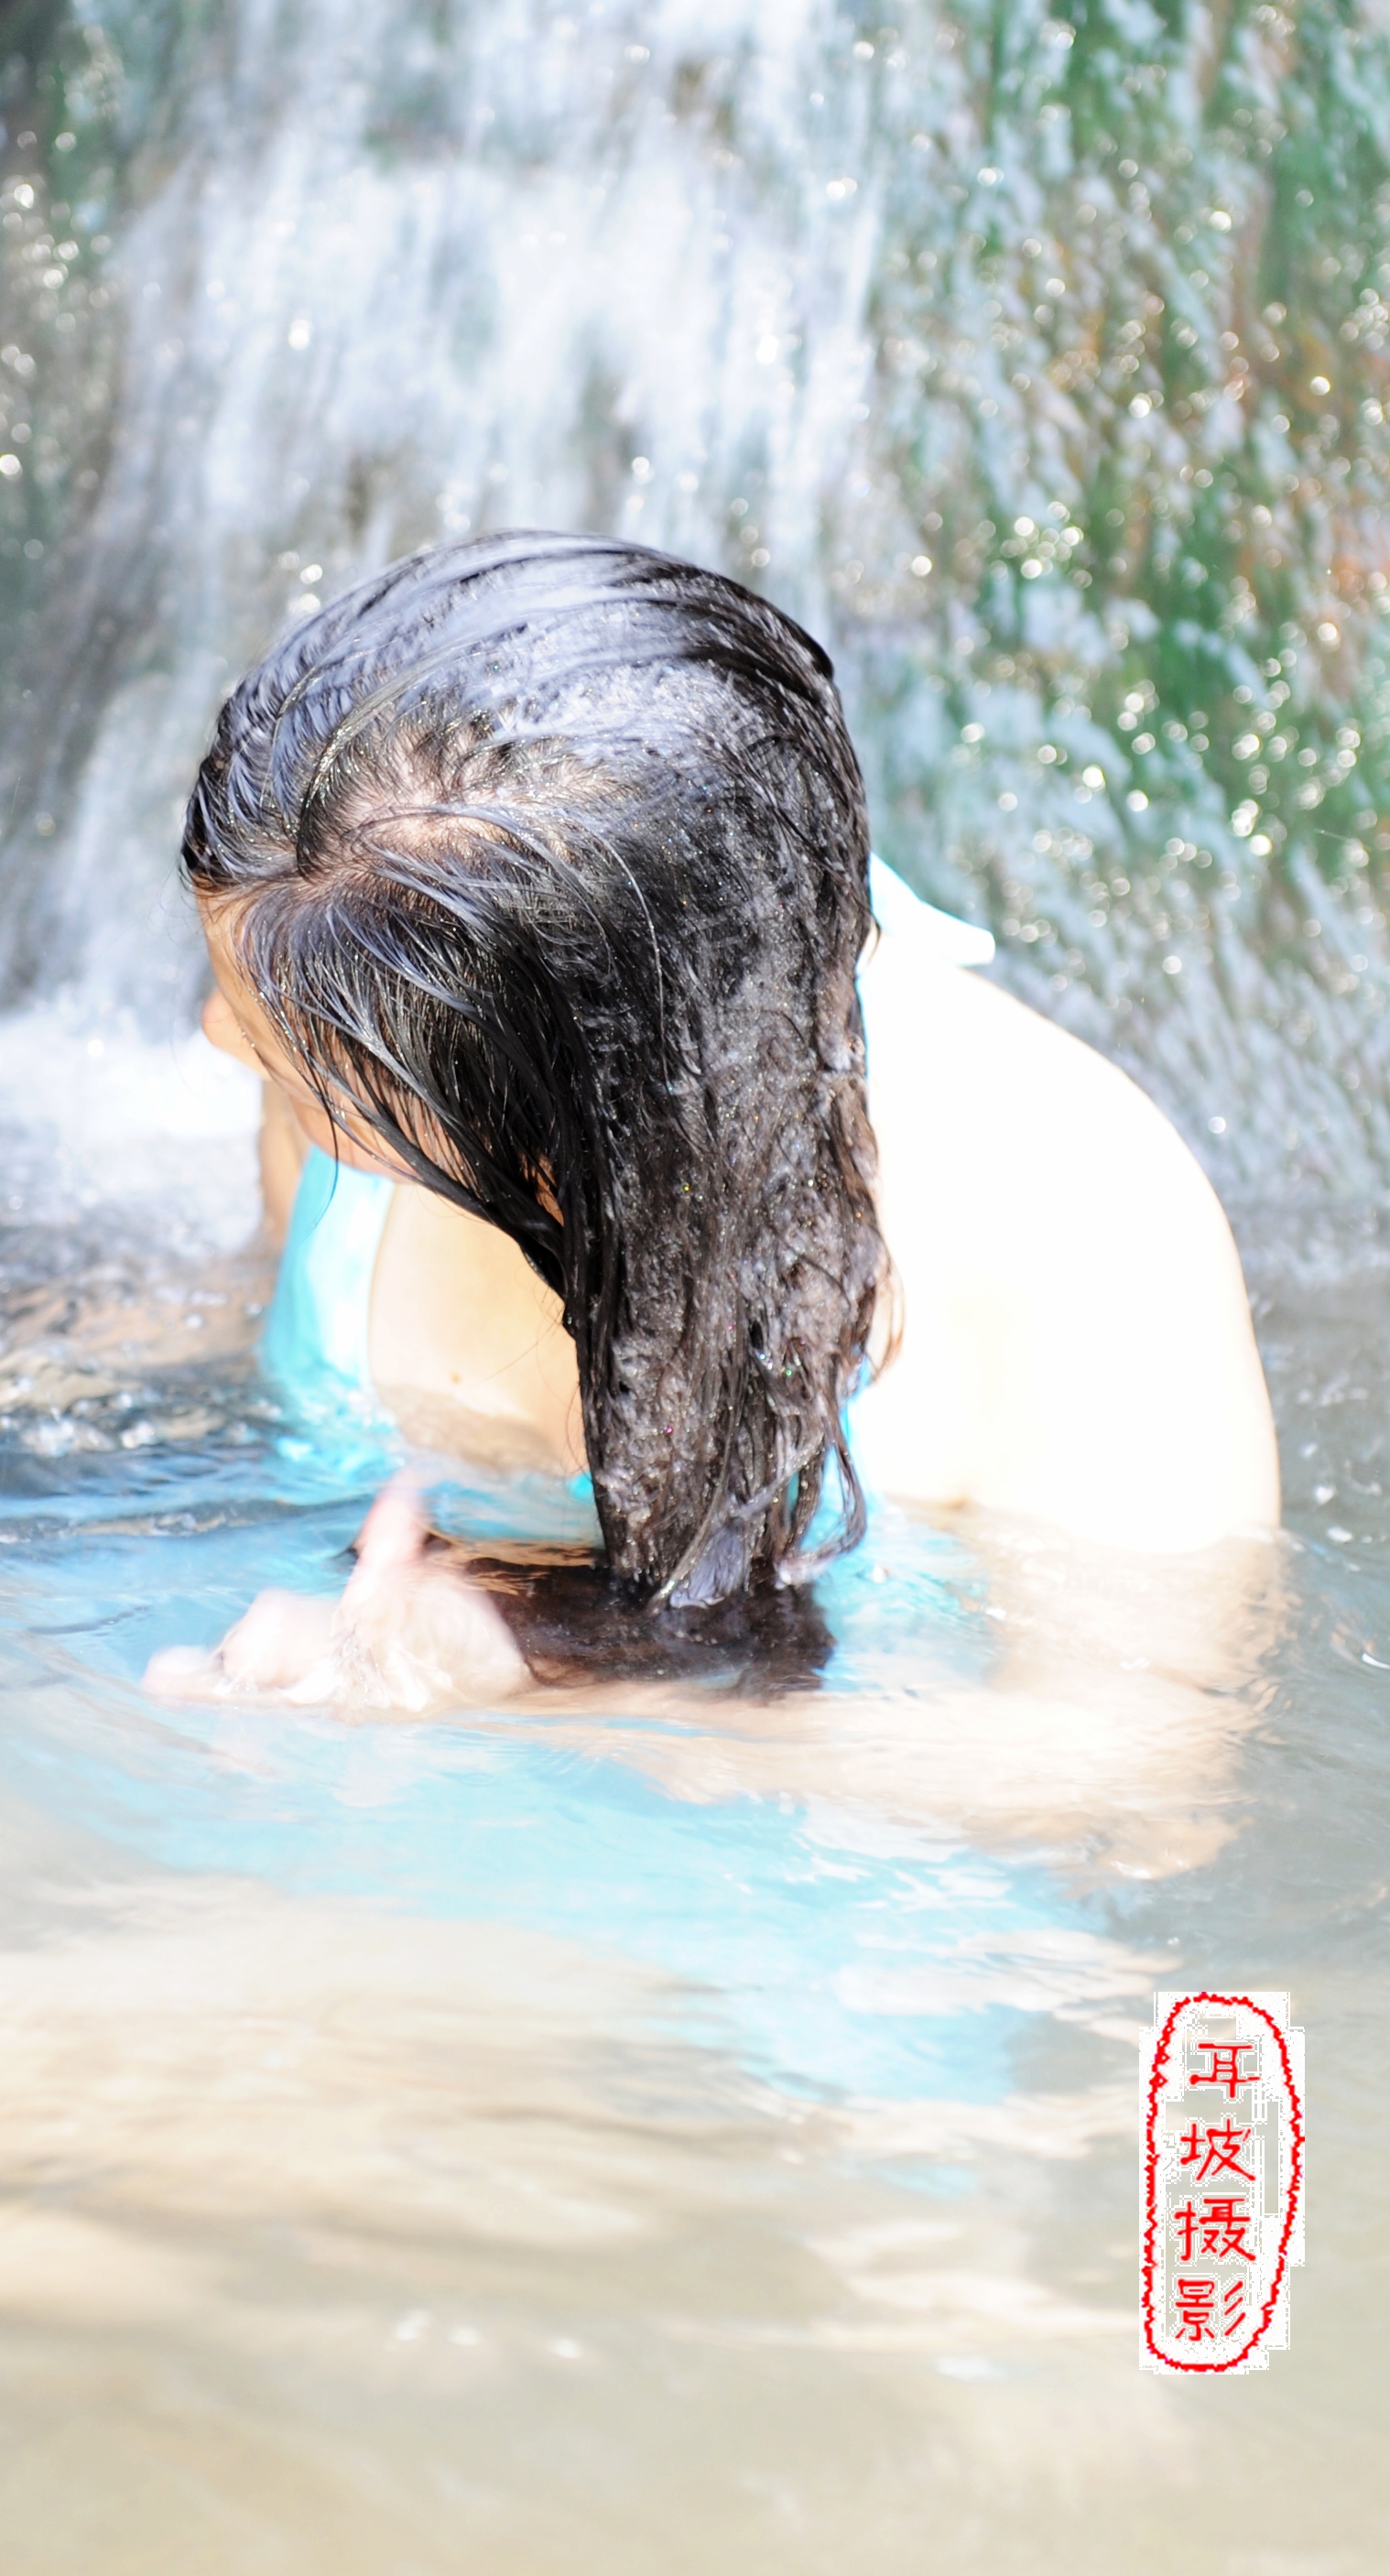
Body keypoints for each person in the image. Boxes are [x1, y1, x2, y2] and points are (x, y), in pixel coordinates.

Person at [143, 531, 1279, 1712]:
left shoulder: (1079, 1232)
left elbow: (1143, 1772)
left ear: (575, 1127)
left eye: (294, 1049)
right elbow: (244, 1309)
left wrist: (543, 1676)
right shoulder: (340, 1010)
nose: (225, 1041)